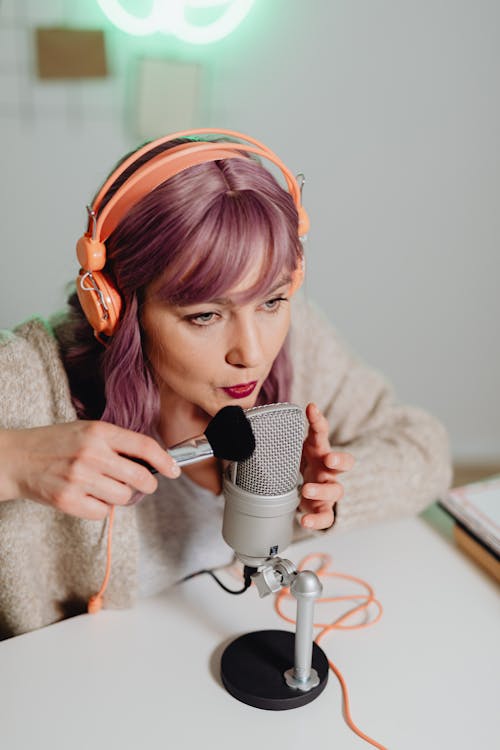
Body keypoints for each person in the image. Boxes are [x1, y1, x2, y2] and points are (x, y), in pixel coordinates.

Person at [0, 129, 451, 640]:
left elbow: (424, 447)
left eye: (272, 302)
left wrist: (336, 489)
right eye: (205, 316)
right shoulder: (27, 377)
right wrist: (13, 461)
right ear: (118, 307)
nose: (253, 354)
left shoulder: (299, 338)